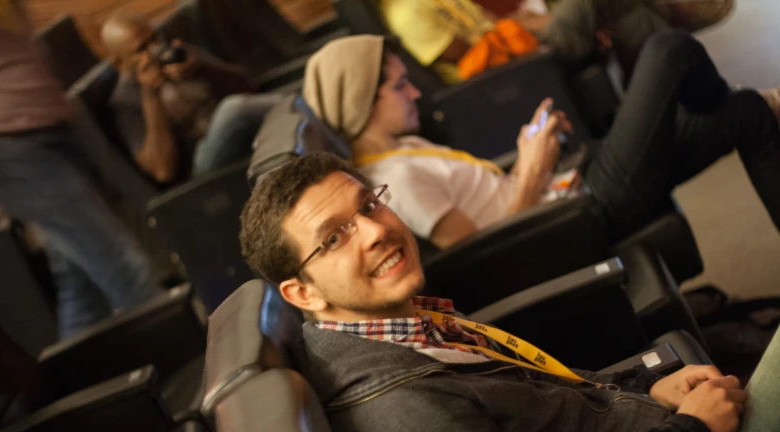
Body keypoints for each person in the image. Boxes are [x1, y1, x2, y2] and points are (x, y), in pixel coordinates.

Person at [240, 150, 780, 432]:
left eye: (369, 205)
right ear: (303, 294)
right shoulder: (396, 408)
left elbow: (548, 395)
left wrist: (643, 386)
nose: (378, 230)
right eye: (335, 237)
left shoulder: (400, 328)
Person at [301, 33, 780, 249]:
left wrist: (534, 159)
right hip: (584, 213)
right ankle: (709, 98)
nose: (414, 92)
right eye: (398, 86)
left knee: (748, 115)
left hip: (571, 188)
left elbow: (492, 202)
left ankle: (727, 103)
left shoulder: (401, 149)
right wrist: (530, 167)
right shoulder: (394, 181)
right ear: (361, 99)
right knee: (666, 49)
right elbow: (493, 254)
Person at [0, 1, 162, 339]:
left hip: (52, 128)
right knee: (126, 269)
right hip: (17, 150)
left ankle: (87, 382)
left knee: (80, 285)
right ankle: (199, 373)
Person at [101, 11, 282, 183]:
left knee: (244, 111)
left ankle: (298, 105)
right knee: (234, 108)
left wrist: (201, 67)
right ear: (118, 63)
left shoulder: (176, 54)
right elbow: (163, 171)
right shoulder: (124, 101)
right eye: (142, 48)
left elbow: (247, 85)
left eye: (155, 37)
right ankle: (301, 103)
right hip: (200, 165)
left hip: (238, 134)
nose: (155, 49)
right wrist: (151, 95)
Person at [373, 0, 673, 83]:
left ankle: (661, 72)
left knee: (622, 19)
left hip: (528, 48)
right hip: (516, 72)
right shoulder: (405, 14)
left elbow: (500, 24)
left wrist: (553, 23)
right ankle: (673, 15)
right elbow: (477, 52)